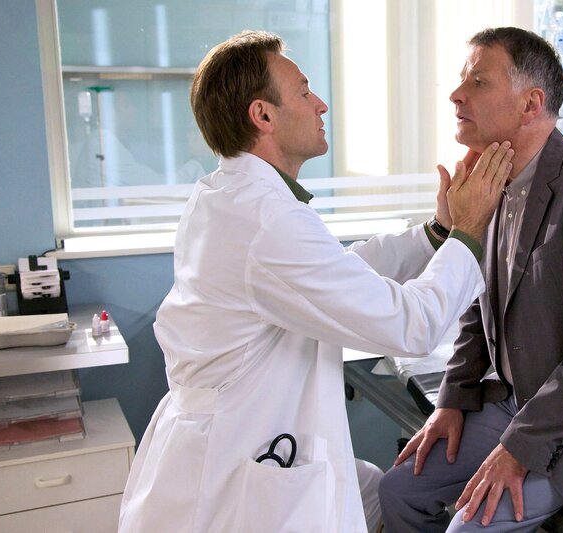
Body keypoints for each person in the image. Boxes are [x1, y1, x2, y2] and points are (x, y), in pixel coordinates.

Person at [118, 30, 514, 533]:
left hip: (228, 440)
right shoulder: (267, 220)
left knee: (369, 490)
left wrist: (437, 233)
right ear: (263, 116)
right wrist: (469, 230)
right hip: (236, 469)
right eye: (304, 92)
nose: (320, 104)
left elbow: (334, 272)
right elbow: (411, 326)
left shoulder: (230, 195)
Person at [379, 26, 563, 532]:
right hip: (518, 403)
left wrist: (520, 447)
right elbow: (478, 306)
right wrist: (453, 398)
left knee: (467, 526)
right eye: (461, 81)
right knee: (398, 492)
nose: (456, 95)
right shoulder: (492, 183)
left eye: (478, 82)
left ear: (530, 104)